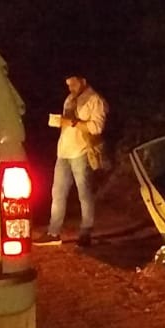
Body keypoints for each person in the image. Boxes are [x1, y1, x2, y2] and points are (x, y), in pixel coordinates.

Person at [38, 74, 108, 247]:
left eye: (73, 84)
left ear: (83, 81)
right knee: (58, 193)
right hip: (63, 152)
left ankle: (86, 232)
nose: (70, 88)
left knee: (84, 193)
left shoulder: (94, 100)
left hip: (81, 151)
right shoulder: (70, 98)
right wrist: (59, 122)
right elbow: (67, 123)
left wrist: (72, 122)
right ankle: (53, 232)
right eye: (68, 85)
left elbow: (97, 127)